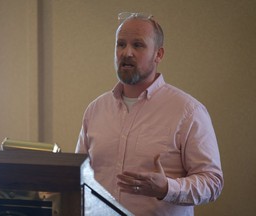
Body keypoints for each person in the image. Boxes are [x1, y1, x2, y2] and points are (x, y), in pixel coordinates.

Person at [76, 12, 223, 216]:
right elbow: (79, 176)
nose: (127, 53)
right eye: (121, 44)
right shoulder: (95, 110)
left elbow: (212, 182)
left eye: (138, 45)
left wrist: (167, 188)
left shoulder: (188, 111)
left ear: (158, 55)